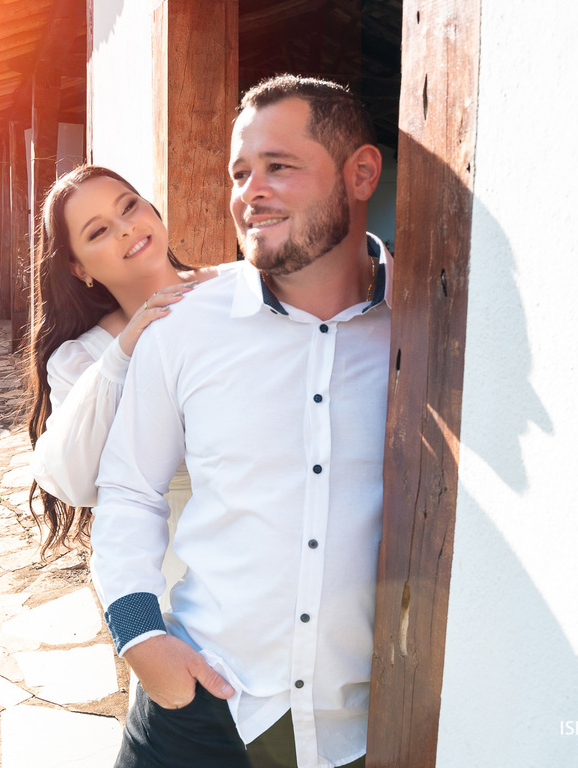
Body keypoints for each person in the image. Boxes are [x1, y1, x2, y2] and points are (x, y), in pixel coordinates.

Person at [91, 75, 390, 768]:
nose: (249, 192)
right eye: (239, 172)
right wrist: (141, 639)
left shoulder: (423, 328)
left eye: (278, 167)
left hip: (364, 730)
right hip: (198, 710)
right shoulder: (185, 324)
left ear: (361, 173)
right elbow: (129, 489)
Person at [25, 165, 217, 578]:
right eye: (98, 232)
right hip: (166, 558)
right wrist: (125, 349)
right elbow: (72, 478)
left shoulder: (235, 290)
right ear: (79, 269)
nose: (126, 229)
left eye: (129, 207)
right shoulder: (86, 358)